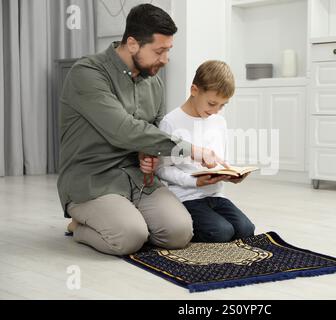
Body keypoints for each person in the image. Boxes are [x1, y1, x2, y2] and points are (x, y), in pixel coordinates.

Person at [57, 4, 226, 256]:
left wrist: (148, 155)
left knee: (179, 233)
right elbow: (124, 130)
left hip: (139, 179)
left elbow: (153, 130)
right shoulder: (87, 74)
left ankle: (127, 219)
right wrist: (193, 151)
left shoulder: (154, 82)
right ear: (133, 44)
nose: (165, 60)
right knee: (129, 238)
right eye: (159, 51)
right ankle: (79, 225)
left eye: (168, 51)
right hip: (93, 181)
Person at [152, 60, 255, 243]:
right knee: (221, 232)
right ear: (194, 90)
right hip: (186, 197)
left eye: (222, 106)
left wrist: (230, 174)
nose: (216, 111)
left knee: (246, 229)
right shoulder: (171, 122)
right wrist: (194, 181)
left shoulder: (218, 121)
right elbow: (162, 169)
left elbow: (220, 159)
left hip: (215, 195)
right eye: (212, 103)